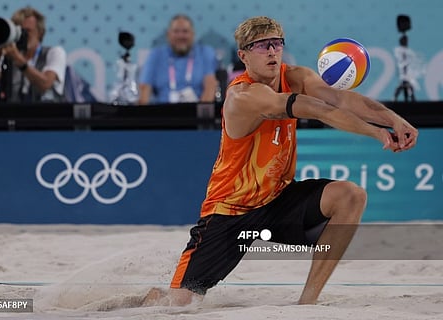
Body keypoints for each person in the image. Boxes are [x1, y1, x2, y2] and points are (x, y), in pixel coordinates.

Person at [142, 16, 418, 306]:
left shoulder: (296, 75)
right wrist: (377, 133)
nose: (272, 51)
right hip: (231, 212)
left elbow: (340, 100)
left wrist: (393, 120)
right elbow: (317, 109)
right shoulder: (243, 95)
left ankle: (307, 302)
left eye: (276, 43)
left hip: (278, 200)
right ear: (243, 55)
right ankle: (148, 298)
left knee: (351, 196)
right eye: (261, 46)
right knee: (179, 303)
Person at [0, 6, 66, 103]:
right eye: (18, 31)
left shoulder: (54, 53)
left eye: (27, 31)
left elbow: (45, 84)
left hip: (47, 115)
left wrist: (20, 62)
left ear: (40, 33)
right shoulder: (7, 57)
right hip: (14, 116)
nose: (23, 36)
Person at [138, 14, 218, 104]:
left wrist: (201, 115)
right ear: (168, 35)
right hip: (162, 112)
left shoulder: (205, 52)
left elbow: (210, 87)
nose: (180, 36)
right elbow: (144, 89)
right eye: (176, 31)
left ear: (193, 34)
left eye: (185, 31)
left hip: (195, 113)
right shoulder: (156, 55)